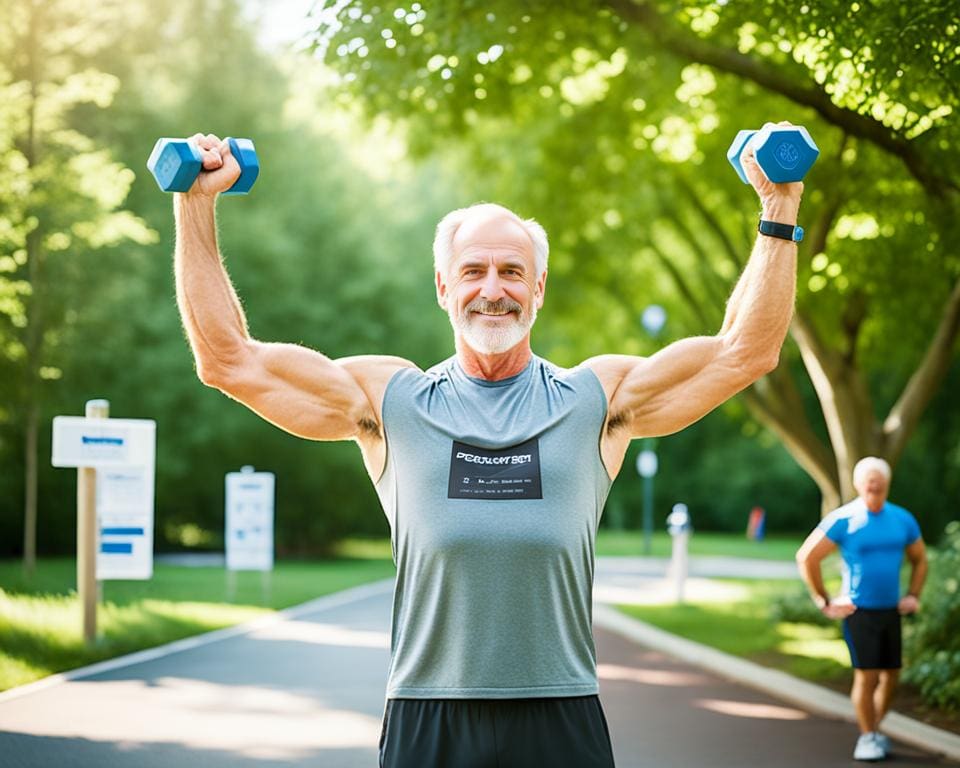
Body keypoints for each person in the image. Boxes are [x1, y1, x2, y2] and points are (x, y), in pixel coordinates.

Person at [172, 124, 802, 767]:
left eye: (512, 272)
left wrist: (779, 210)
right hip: (428, 715)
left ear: (538, 288)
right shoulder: (389, 402)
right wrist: (195, 204)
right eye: (473, 271)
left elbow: (744, 352)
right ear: (444, 287)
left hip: (561, 714)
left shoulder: (597, 401)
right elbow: (229, 361)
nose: (493, 289)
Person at [796, 457, 927, 762]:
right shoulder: (844, 519)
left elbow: (920, 559)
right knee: (867, 677)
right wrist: (824, 600)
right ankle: (867, 736)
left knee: (891, 676)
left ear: (887, 483)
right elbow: (807, 557)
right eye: (869, 478)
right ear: (857, 483)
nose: (874, 483)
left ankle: (875, 729)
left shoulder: (902, 519)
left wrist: (913, 594)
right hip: (859, 612)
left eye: (879, 478)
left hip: (891, 611)